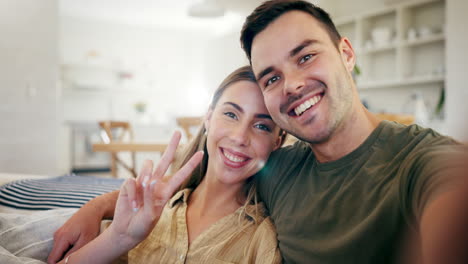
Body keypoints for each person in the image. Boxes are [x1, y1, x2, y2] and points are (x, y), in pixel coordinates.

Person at [50, 1, 468, 264]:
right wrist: (96, 210)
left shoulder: (428, 165)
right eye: (271, 77)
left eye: (305, 56)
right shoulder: (278, 169)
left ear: (346, 53)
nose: (291, 85)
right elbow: (188, 181)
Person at [50, 66, 284, 264]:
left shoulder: (260, 238)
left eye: (262, 126)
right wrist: (118, 238)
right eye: (231, 114)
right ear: (209, 118)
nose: (240, 137)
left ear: (277, 141)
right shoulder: (148, 212)